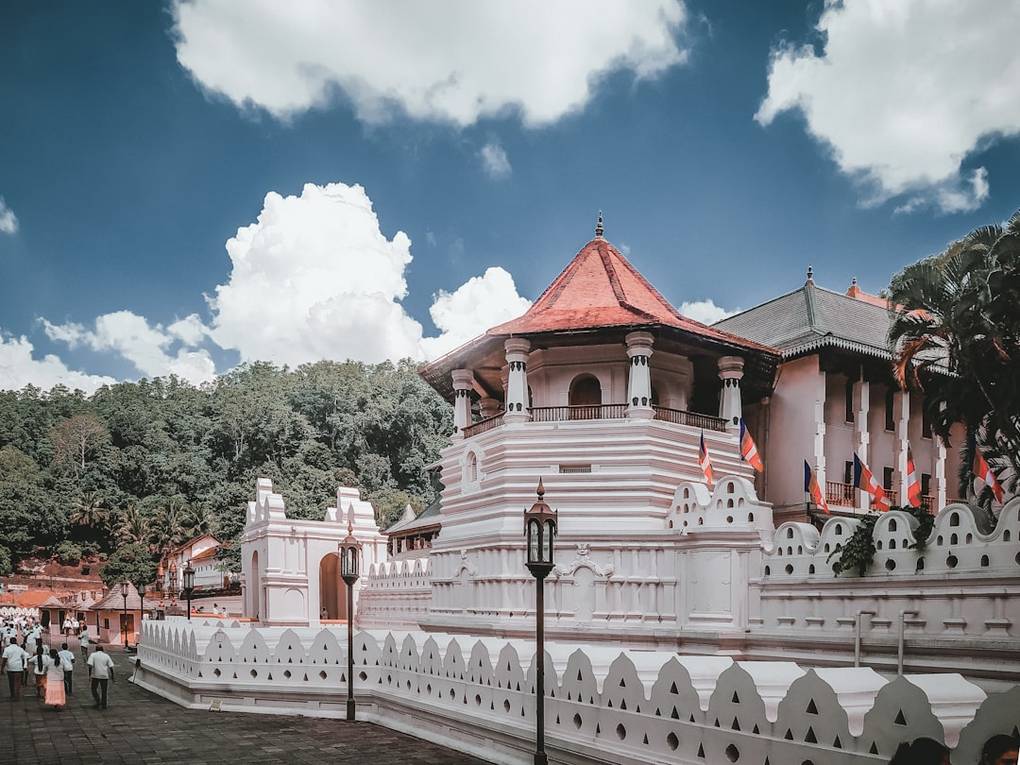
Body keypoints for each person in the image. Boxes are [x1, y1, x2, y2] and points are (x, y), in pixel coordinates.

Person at [86, 644, 115, 709]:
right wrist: (112, 676)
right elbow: (111, 667)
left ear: (96, 650)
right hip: (104, 675)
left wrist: (90, 674)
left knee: (93, 689)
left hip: (96, 675)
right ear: (103, 650)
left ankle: (98, 700)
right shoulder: (106, 656)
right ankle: (104, 704)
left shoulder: (93, 655)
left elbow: (90, 665)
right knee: (104, 690)